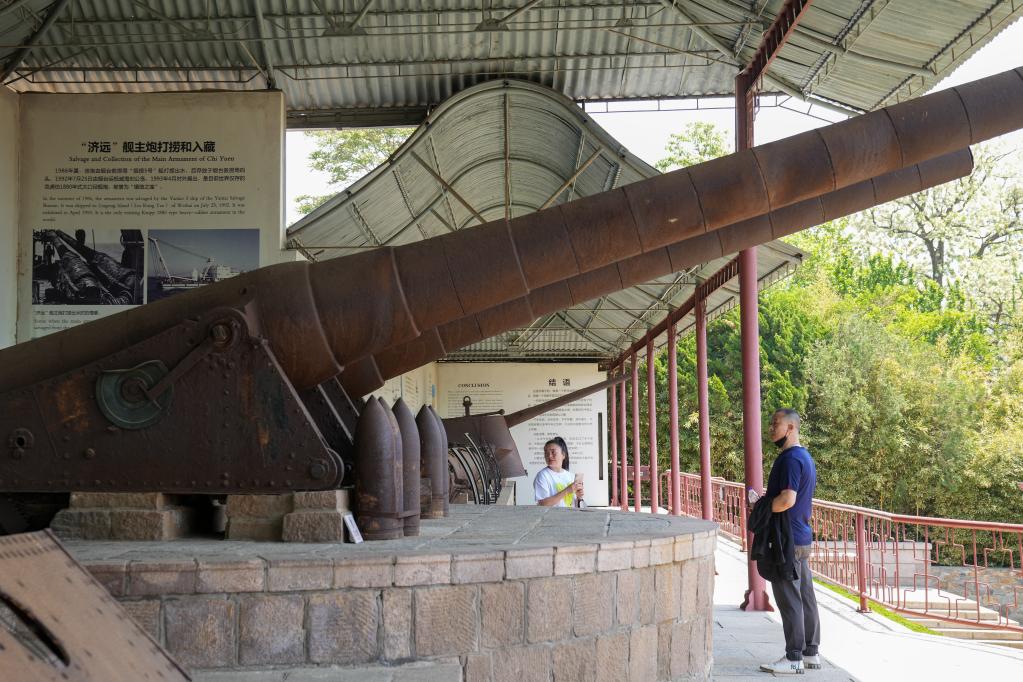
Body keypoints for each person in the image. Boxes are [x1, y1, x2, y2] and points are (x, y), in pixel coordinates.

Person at [756, 408, 821, 675]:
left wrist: (761, 506)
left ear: (791, 428)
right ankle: (810, 653)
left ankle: (793, 657)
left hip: (788, 540)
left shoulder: (790, 459)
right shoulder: (805, 457)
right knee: (805, 595)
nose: (771, 429)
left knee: (789, 597)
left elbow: (787, 499)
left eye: (776, 424)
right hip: (802, 536)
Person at [533, 437, 584, 507]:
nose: (549, 456)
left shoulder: (571, 476)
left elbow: (575, 505)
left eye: (553, 452)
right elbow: (542, 504)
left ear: (563, 454)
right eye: (546, 453)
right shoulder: (542, 476)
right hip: (552, 517)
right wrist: (567, 491)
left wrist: (579, 497)